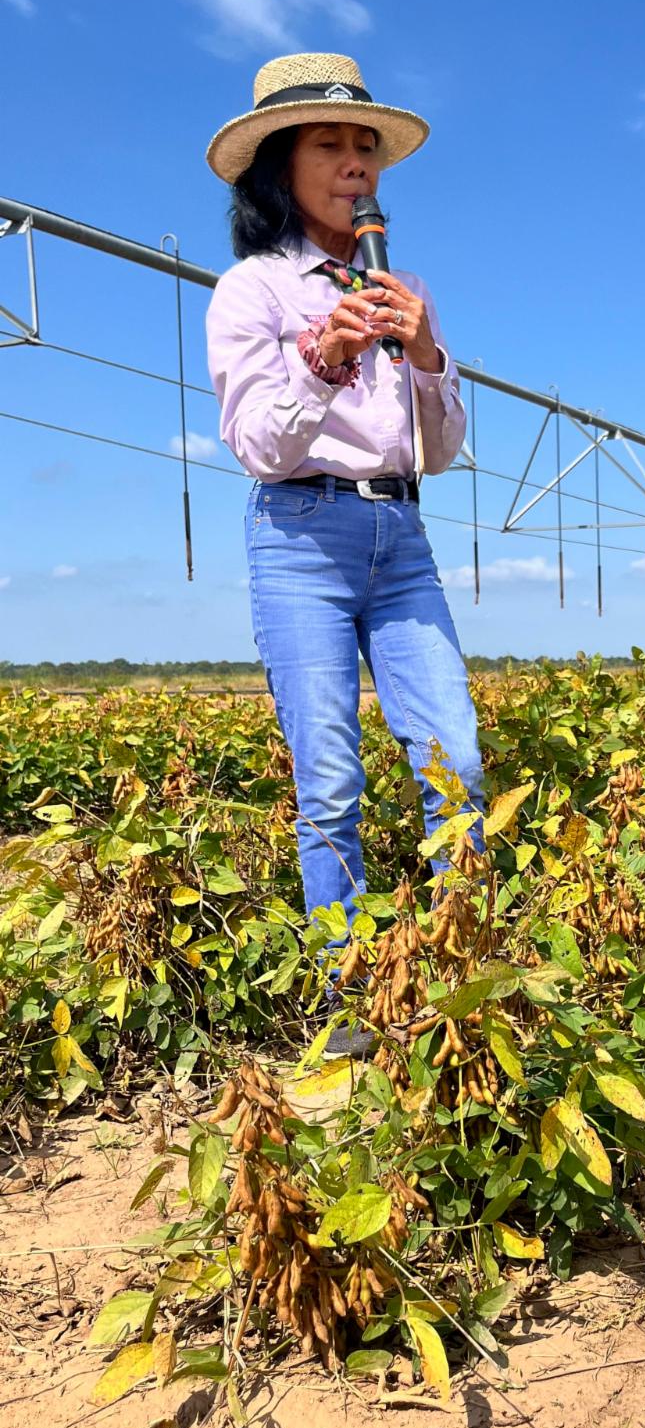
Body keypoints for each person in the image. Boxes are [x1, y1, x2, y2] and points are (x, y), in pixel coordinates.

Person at [204, 53, 485, 1058]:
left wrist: (426, 356)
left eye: (365, 144)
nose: (356, 162)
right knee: (329, 780)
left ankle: (464, 986)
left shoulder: (408, 291)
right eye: (331, 143)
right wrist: (323, 355)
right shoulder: (252, 293)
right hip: (300, 538)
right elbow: (260, 448)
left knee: (455, 761)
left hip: (400, 537)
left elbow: (442, 452)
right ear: (279, 167)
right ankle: (350, 1012)